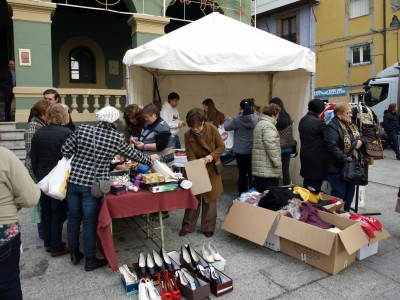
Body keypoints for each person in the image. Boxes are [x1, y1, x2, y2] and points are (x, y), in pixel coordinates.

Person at [61, 106, 158, 271]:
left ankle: (75, 253)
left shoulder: (82, 129)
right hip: (94, 185)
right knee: (90, 222)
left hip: (74, 182)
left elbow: (65, 150)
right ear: (114, 121)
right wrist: (151, 160)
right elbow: (133, 155)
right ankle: (90, 259)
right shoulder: (116, 137)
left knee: (74, 218)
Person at [31, 103, 73, 257]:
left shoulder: (39, 133)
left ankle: (49, 242)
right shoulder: (67, 133)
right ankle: (56, 246)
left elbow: (33, 158)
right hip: (58, 177)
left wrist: (38, 175)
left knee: (47, 210)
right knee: (59, 211)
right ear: (63, 115)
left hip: (43, 176)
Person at [0, 144, 41, 300]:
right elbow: (30, 197)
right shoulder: (4, 156)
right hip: (3, 230)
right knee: (8, 285)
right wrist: (12, 205)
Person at [179, 108, 225, 238]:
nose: (195, 129)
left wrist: (210, 157)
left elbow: (221, 147)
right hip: (197, 167)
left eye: (198, 126)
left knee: (210, 198)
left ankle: (208, 227)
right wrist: (197, 164)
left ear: (203, 122)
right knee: (194, 197)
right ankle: (188, 226)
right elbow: (190, 154)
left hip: (212, 166)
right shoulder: (188, 135)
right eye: (193, 127)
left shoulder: (212, 129)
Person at [325, 102, 364, 212]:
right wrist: (345, 158)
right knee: (340, 192)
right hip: (336, 165)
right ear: (339, 114)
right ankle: (334, 214)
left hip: (350, 165)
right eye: (348, 113)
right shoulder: (332, 127)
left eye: (351, 113)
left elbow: (362, 137)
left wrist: (360, 141)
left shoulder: (351, 125)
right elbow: (332, 146)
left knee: (350, 191)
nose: (351, 115)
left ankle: (345, 214)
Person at [24, 99, 52, 240]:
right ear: (42, 113)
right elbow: (30, 148)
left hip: (42, 165)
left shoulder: (43, 124)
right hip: (35, 168)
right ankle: (43, 233)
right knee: (41, 203)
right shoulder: (33, 125)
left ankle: (46, 231)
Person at [224, 99, 259, 196]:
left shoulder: (237, 119)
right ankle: (252, 194)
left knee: (242, 174)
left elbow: (227, 127)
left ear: (241, 108)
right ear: (251, 107)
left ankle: (241, 195)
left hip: (240, 151)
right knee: (252, 174)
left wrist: (226, 119)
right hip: (252, 150)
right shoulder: (256, 118)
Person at [252, 104, 282, 192]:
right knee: (268, 194)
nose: (278, 117)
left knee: (261, 193)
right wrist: (277, 162)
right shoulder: (268, 126)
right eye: (277, 115)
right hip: (268, 168)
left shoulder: (261, 123)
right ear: (273, 114)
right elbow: (271, 144)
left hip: (262, 166)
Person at [299, 99, 327, 192]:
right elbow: (327, 139)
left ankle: (305, 204)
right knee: (314, 188)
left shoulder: (303, 119)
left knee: (307, 184)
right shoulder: (319, 122)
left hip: (305, 154)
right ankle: (311, 205)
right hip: (317, 158)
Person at [270, 97, 296, 185]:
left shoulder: (273, 118)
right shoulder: (288, 117)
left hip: (276, 148)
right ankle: (287, 188)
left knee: (276, 171)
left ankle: (276, 190)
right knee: (285, 170)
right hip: (287, 148)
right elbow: (291, 132)